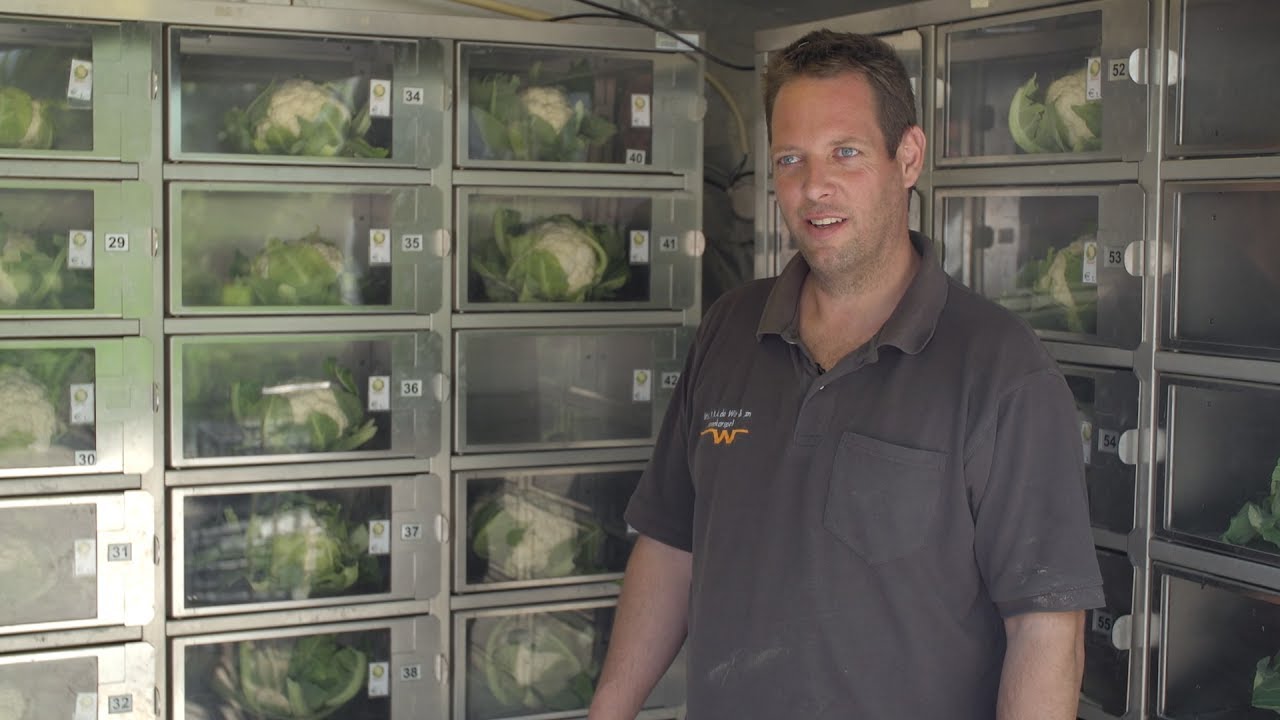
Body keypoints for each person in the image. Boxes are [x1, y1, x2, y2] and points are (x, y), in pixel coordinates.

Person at [587, 28, 1105, 720]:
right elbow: (671, 544)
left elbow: (1045, 626)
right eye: (790, 158)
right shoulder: (731, 328)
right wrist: (609, 710)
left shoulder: (999, 366)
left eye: (846, 153)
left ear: (909, 157)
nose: (814, 186)